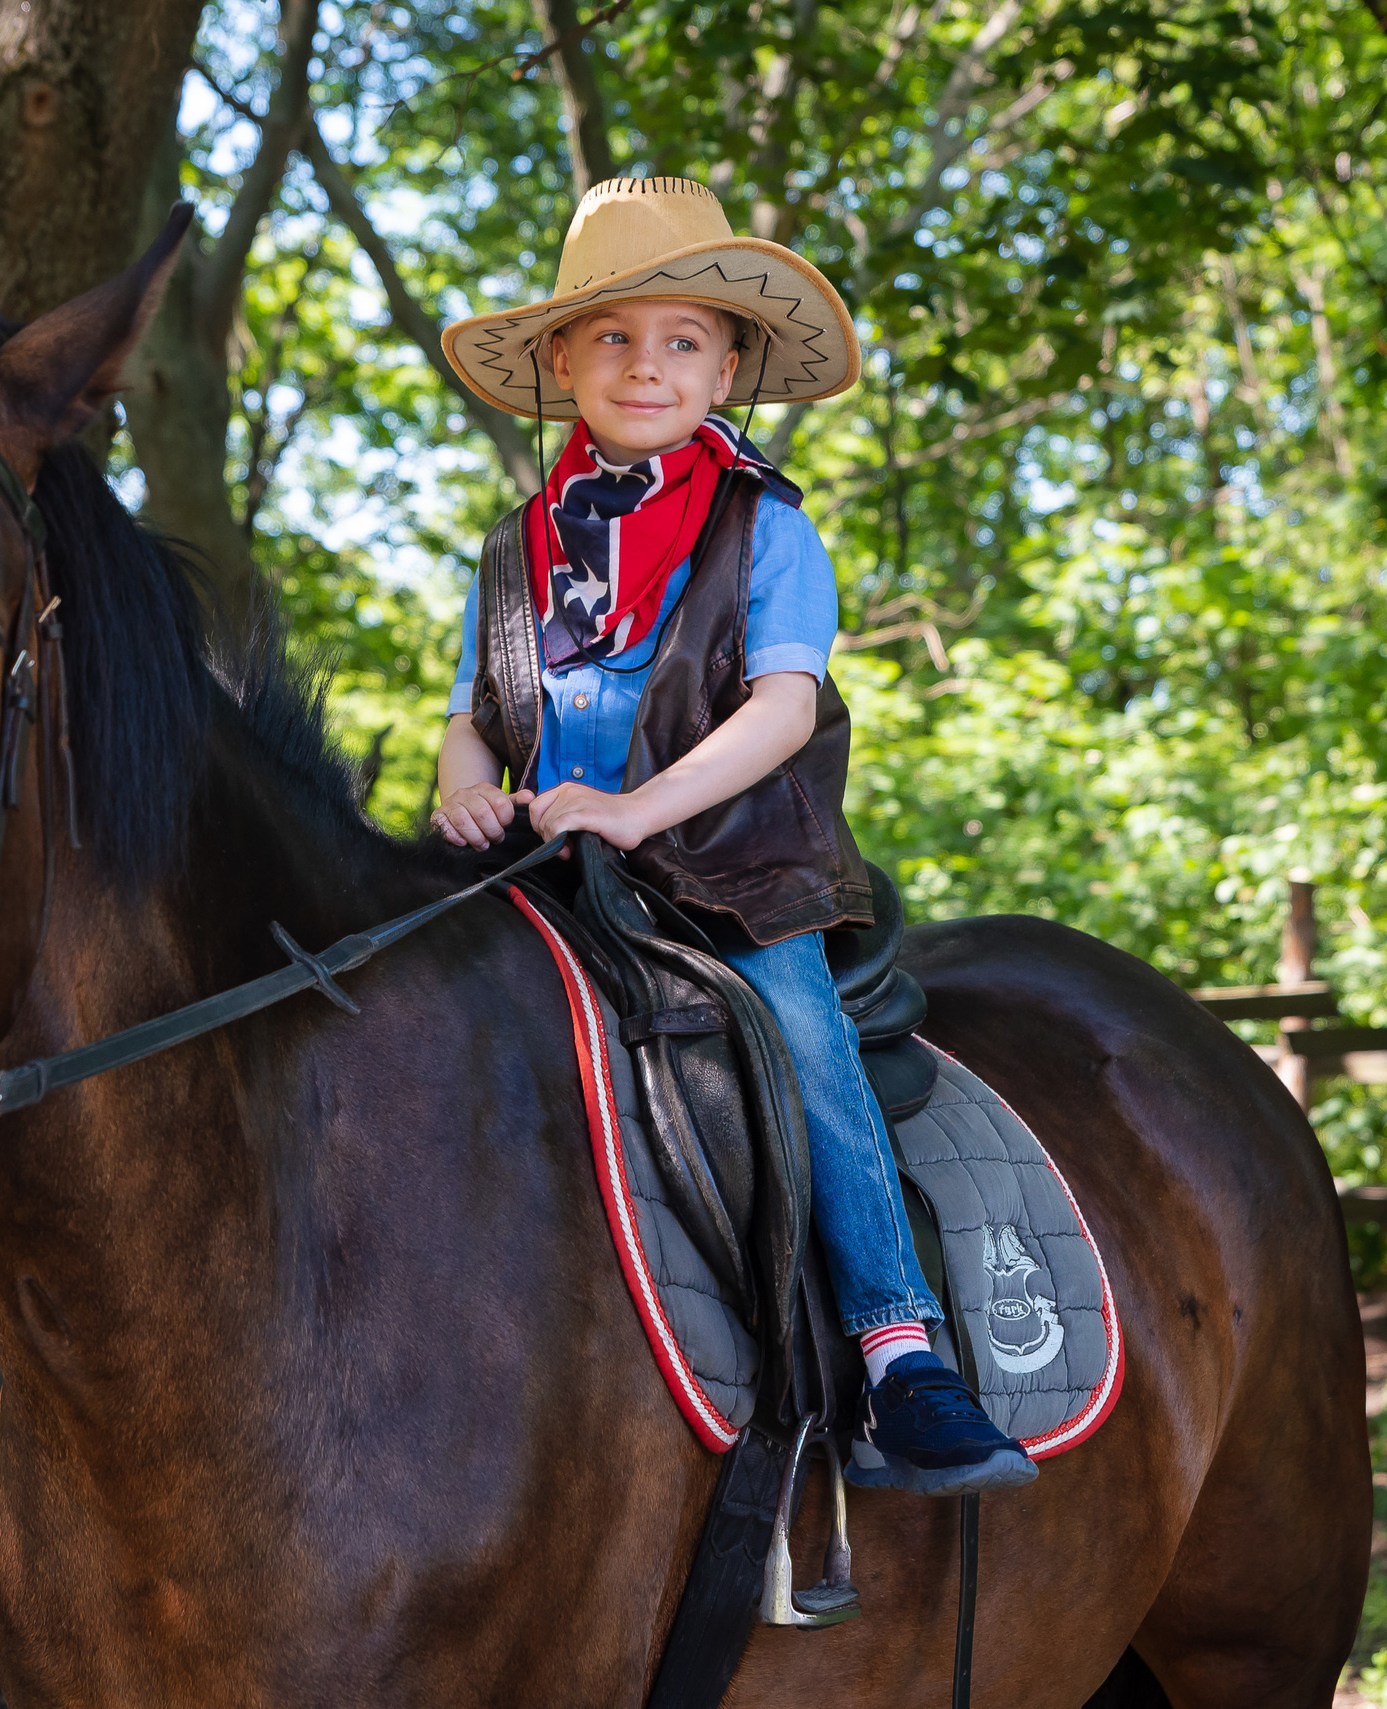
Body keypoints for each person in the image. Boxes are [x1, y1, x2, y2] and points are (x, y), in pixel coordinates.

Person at [431, 176, 1034, 1498]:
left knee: (803, 1039)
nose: (647, 364)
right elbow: (480, 715)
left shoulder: (769, 527)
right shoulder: (512, 550)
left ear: (730, 365)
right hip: (547, 870)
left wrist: (638, 809)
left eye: (683, 340)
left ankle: (896, 1347)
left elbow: (781, 708)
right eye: (614, 337)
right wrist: (461, 786)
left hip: (731, 875)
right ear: (558, 361)